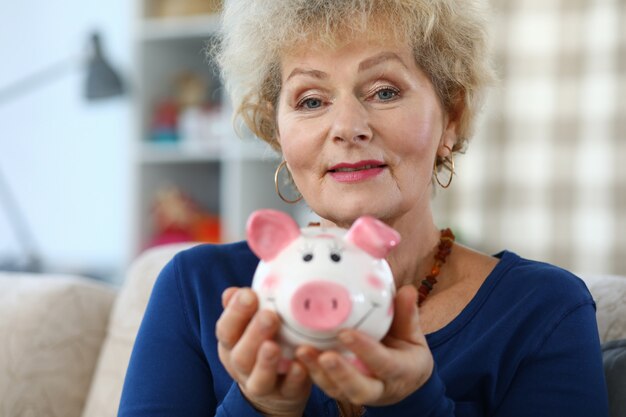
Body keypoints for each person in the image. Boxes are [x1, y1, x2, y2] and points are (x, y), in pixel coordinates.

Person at [118, 1, 609, 416]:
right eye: (311, 101)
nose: (347, 126)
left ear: (451, 117)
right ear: (277, 133)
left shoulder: (543, 308)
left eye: (385, 91)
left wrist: (412, 401)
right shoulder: (196, 288)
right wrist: (259, 405)